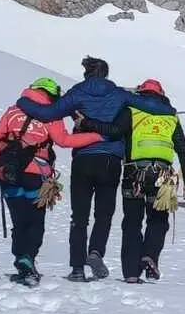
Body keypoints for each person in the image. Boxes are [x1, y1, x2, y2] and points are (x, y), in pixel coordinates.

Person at [14, 56, 174, 282]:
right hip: (110, 160)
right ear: (105, 73)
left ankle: (77, 268)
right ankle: (96, 251)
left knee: (79, 216)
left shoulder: (77, 93)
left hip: (83, 158)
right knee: (104, 214)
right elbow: (151, 106)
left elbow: (48, 113)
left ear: (87, 74)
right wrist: (169, 108)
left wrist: (23, 103)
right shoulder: (118, 93)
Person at [0, 77, 104, 286]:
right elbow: (64, 141)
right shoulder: (51, 114)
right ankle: (27, 258)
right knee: (35, 220)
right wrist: (96, 136)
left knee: (19, 220)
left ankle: (21, 258)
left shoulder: (13, 110)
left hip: (9, 173)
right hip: (36, 173)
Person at [76, 78, 185, 283]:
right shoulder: (171, 116)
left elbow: (113, 131)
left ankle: (131, 273)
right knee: (158, 220)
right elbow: (183, 149)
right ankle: (150, 255)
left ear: (141, 93)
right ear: (161, 94)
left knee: (132, 222)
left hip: (134, 174)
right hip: (162, 176)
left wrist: (86, 123)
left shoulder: (132, 110)